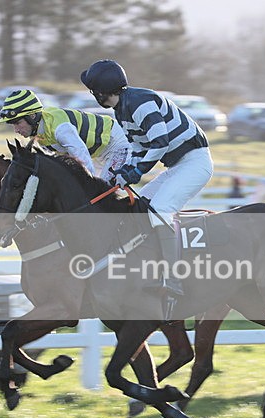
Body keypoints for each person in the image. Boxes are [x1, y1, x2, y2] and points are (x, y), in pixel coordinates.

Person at [79, 59, 213, 306]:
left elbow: (159, 143)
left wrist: (135, 172)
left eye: (92, 90)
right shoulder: (122, 110)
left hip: (194, 163)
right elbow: (138, 147)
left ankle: (173, 280)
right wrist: (120, 174)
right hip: (178, 165)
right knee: (141, 206)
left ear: (100, 92)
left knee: (160, 210)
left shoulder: (140, 102)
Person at [0, 89, 129, 182]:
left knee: (102, 192)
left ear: (32, 116)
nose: (16, 130)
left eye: (17, 123)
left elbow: (81, 156)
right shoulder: (39, 132)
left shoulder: (60, 127)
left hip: (117, 143)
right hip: (97, 154)